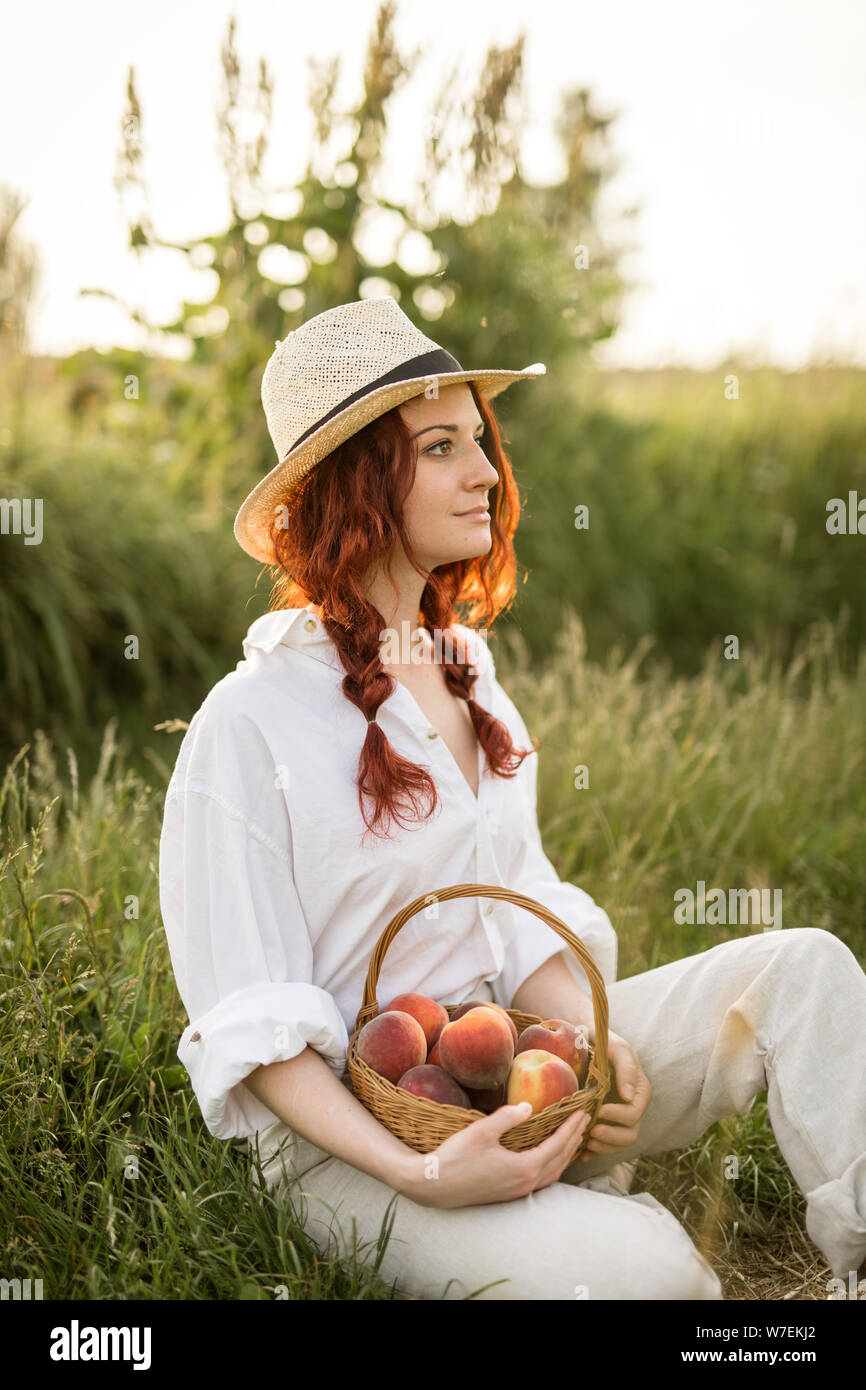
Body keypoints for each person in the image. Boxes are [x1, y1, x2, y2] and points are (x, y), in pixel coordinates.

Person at [158, 295, 866, 1301]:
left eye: (477, 441)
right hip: (357, 1148)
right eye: (441, 445)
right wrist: (422, 1170)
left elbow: (515, 921)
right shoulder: (249, 722)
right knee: (658, 1278)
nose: (486, 470)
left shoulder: (469, 675)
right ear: (360, 480)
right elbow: (251, 1024)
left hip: (509, 1061)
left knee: (806, 971)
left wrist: (597, 1049)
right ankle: (586, 1226)